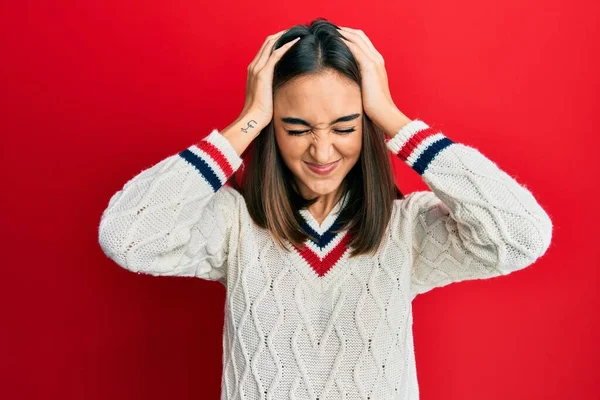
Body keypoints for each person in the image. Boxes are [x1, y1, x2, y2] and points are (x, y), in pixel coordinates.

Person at [98, 18, 553, 400]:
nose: (321, 150)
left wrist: (393, 117)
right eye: (296, 128)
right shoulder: (234, 223)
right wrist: (247, 120)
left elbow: (522, 235)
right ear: (272, 129)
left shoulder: (407, 229)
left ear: (367, 124)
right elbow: (128, 238)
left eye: (344, 126)